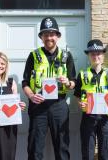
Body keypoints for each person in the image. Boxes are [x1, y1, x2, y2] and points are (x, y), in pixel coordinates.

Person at [22, 16, 76, 160]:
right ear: (41, 37)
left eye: (52, 34)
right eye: (45, 34)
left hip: (59, 105)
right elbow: (25, 83)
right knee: (35, 147)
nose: (49, 37)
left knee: (62, 146)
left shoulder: (66, 55)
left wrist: (67, 83)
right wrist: (31, 96)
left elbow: (73, 82)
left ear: (57, 36)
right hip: (38, 104)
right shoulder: (33, 56)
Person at [74, 39, 108, 160]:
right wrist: (80, 104)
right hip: (88, 119)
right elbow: (77, 95)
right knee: (88, 154)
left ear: (103, 55)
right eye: (92, 54)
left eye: (98, 53)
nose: (96, 56)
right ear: (88, 56)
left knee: (105, 154)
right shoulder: (82, 74)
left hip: (105, 119)